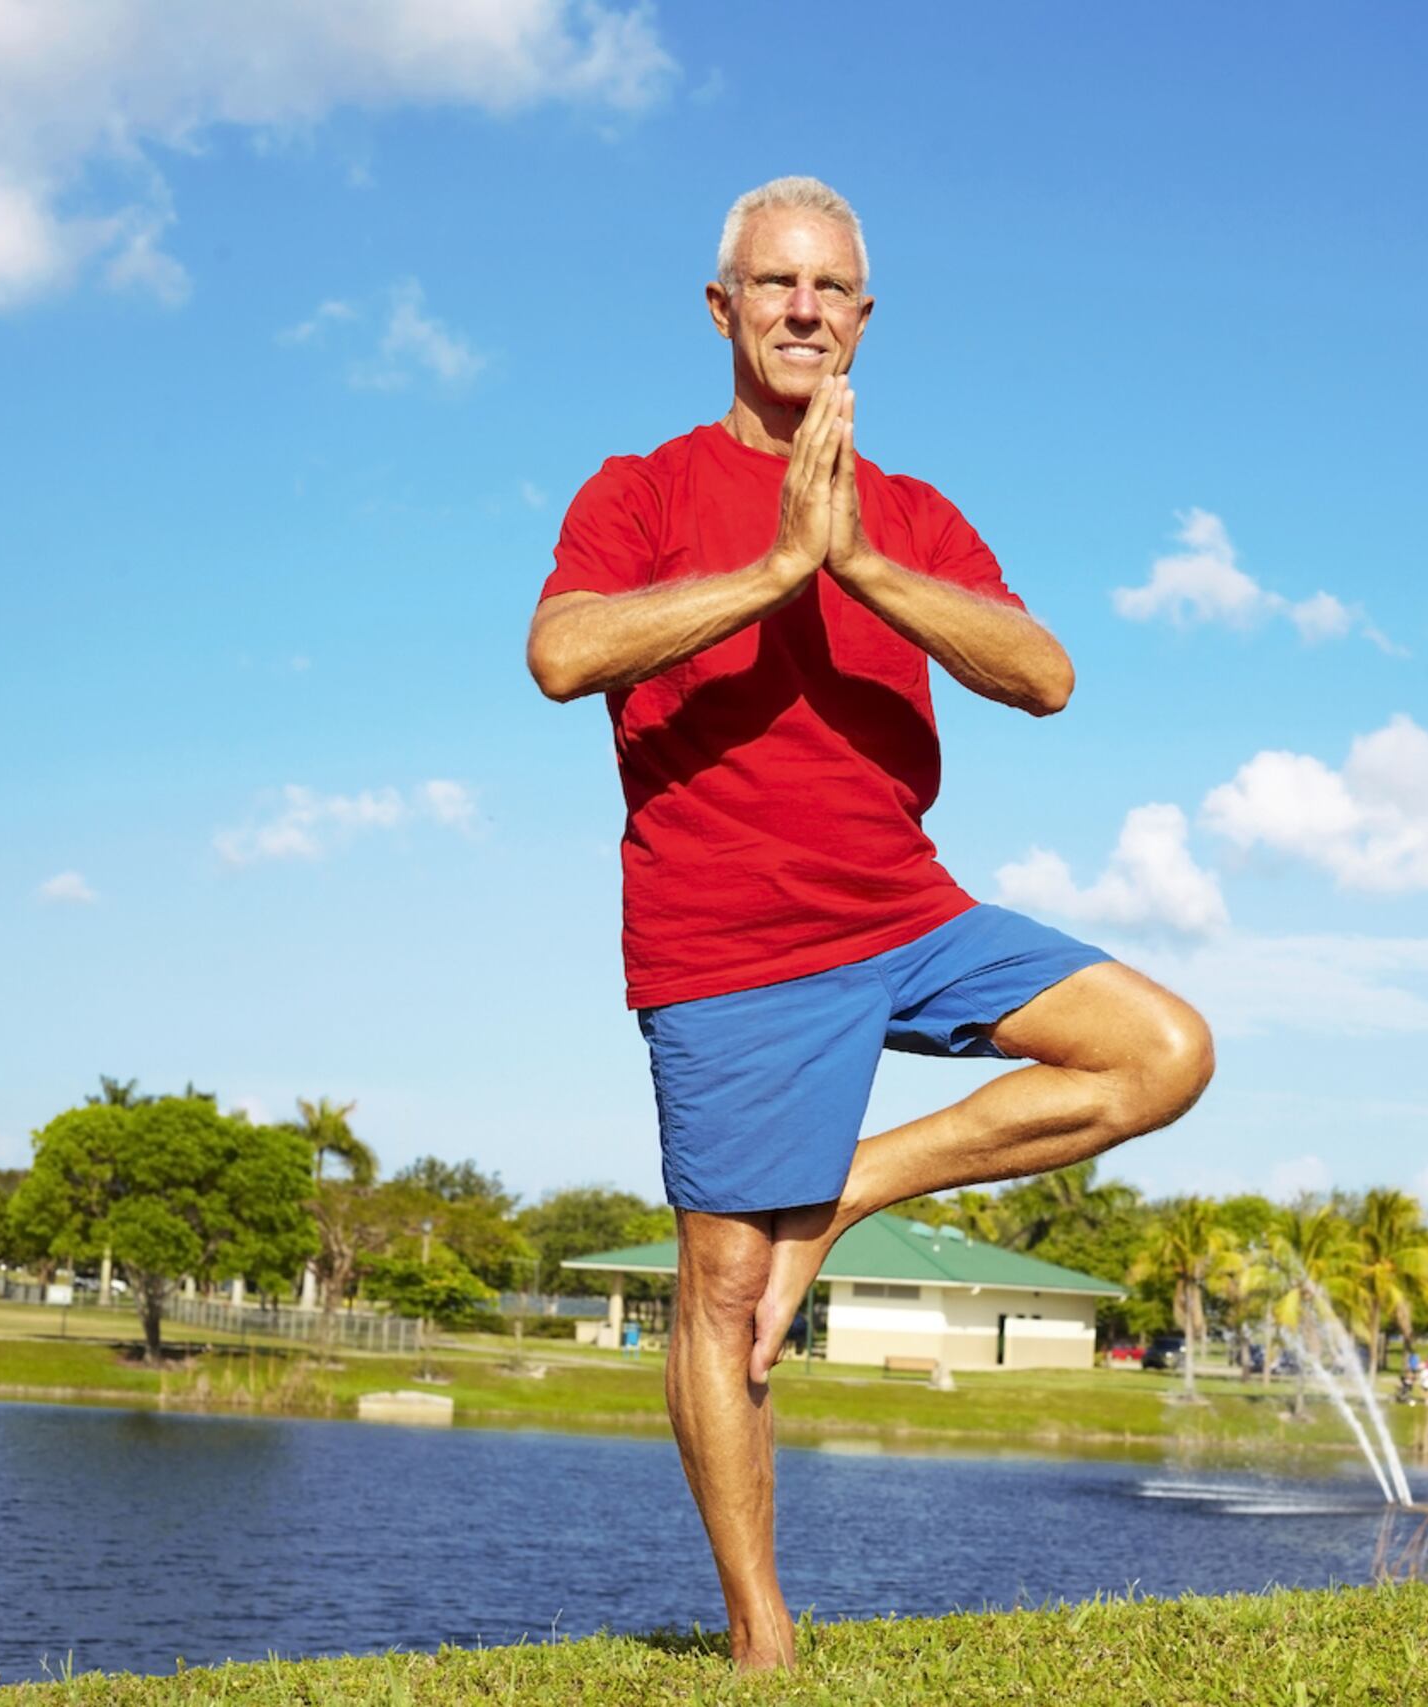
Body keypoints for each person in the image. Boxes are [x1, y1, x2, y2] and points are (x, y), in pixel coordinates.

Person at [525, 176, 1213, 1672]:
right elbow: (562, 652)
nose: (801, 310)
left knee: (1159, 1051)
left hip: (907, 909)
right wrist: (772, 569)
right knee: (722, 1294)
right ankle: (763, 1641)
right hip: (730, 941)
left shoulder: (907, 511)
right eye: (773, 285)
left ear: (864, 319)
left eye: (829, 289)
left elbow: (1044, 676)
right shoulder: (639, 489)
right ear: (723, 309)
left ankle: (848, 1193)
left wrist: (856, 565)